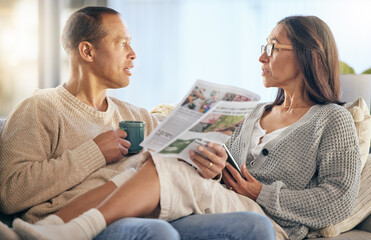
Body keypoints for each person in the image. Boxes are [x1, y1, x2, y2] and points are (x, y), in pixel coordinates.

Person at [8, 14, 362, 240]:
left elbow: (340, 201)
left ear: (306, 54)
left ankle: (62, 230)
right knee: (163, 162)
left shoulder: (332, 119)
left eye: (272, 46)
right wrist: (211, 163)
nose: (262, 56)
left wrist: (261, 193)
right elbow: (219, 168)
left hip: (267, 217)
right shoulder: (252, 113)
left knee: (161, 164)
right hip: (215, 200)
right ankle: (52, 230)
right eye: (263, 45)